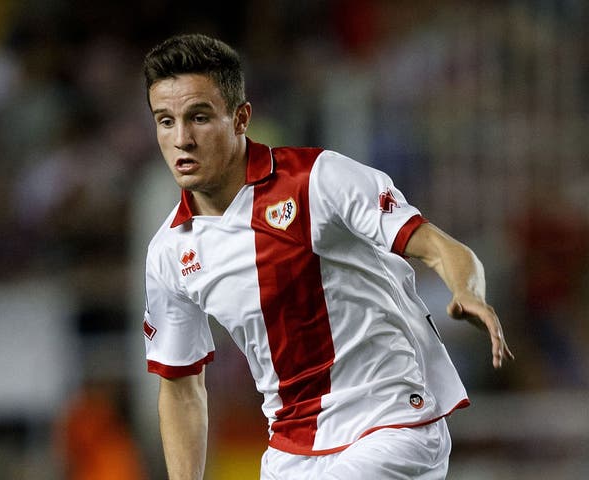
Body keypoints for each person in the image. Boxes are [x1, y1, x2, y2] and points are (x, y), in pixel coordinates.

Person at [141, 33, 513, 480]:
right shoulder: (169, 251)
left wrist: (467, 290)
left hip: (391, 427)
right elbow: (181, 386)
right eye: (165, 121)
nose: (181, 139)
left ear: (240, 119)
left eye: (198, 117)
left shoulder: (318, 179)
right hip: (290, 452)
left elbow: (436, 245)